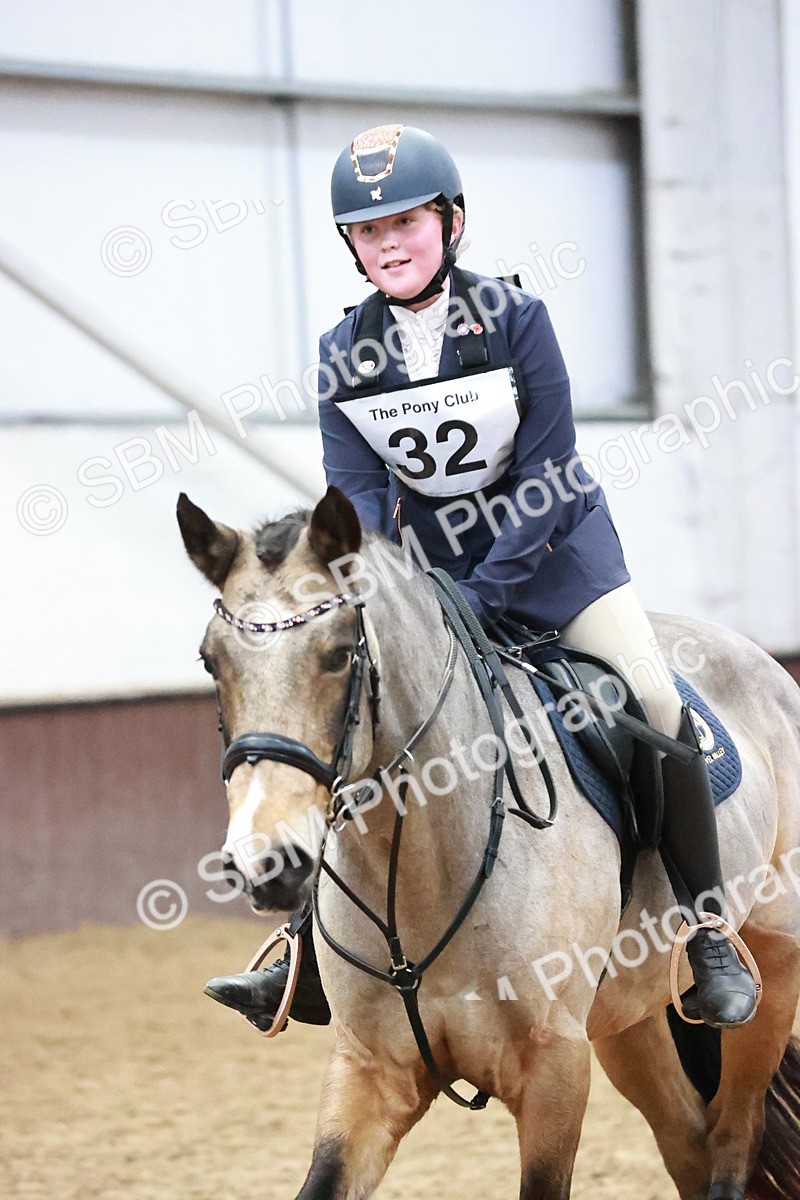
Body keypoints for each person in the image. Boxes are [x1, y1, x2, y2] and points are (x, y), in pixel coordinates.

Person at [206, 123, 758, 1032]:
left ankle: (706, 938)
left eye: (405, 223)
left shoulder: (515, 320)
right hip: (428, 579)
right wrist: (395, 594)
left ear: (452, 223)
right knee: (351, 715)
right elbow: (355, 494)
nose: (388, 244)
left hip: (557, 569)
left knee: (657, 704)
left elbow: (548, 475)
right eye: (369, 231)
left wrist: (482, 593)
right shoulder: (345, 350)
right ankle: (303, 950)